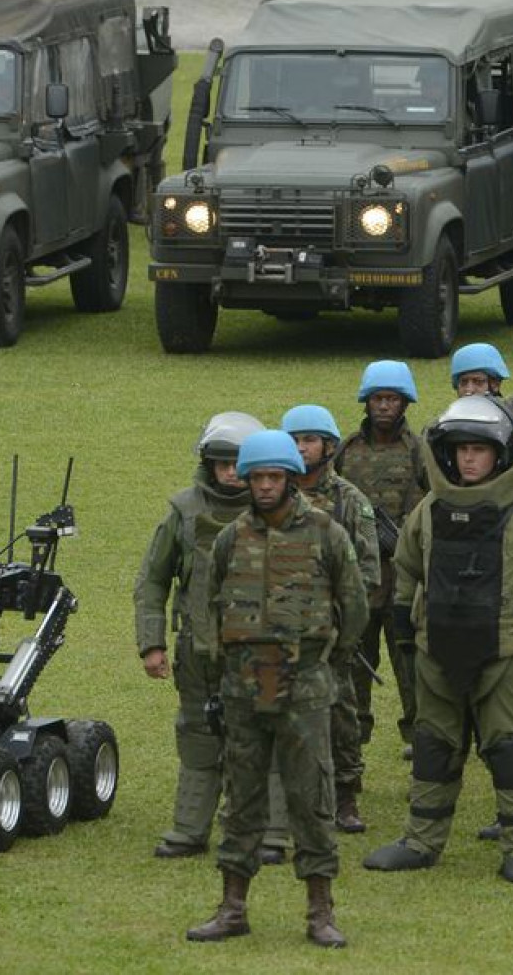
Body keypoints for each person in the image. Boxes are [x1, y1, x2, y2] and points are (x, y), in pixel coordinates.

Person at [362, 395, 513, 884]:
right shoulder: (431, 509)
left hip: (504, 654)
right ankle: (420, 841)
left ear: (501, 454)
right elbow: (407, 570)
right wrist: (404, 631)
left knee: (510, 750)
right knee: (433, 747)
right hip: (436, 652)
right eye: (460, 450)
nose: (469, 458)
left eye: (479, 449)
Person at [186, 431, 367, 948]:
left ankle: (320, 912)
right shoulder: (229, 537)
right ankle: (232, 906)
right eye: (257, 478)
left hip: (305, 685)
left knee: (311, 796)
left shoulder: (328, 534)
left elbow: (353, 605)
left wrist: (326, 659)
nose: (264, 487)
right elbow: (210, 604)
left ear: (289, 479)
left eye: (273, 478)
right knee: (240, 798)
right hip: (243, 687)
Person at [132, 411, 263, 859]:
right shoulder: (183, 511)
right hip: (197, 651)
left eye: (238, 463)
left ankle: (272, 834)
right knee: (197, 735)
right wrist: (151, 644)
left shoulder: (278, 511)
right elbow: (152, 580)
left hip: (261, 652)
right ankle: (189, 829)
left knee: (266, 739)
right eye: (222, 463)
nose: (230, 473)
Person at [282, 403, 383, 834]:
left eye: (310, 440)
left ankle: (346, 796)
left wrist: (339, 616)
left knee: (341, 712)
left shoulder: (350, 500)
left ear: (328, 446)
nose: (302, 448)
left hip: (333, 631)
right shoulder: (272, 494)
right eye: (295, 440)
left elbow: (368, 570)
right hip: (281, 629)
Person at [333, 360, 430, 761]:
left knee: (412, 674)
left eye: (391, 399)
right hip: (358, 582)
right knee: (355, 673)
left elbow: (431, 504)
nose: (384, 407)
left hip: (405, 580)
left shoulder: (419, 451)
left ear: (404, 403)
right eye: (377, 399)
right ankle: (349, 759)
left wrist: (404, 537)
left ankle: (423, 755)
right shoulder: (348, 449)